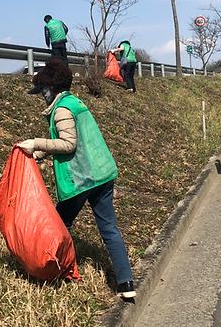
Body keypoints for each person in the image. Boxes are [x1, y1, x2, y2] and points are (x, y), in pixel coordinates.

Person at [18, 59, 136, 299]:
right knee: (109, 229)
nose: (42, 97)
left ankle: (53, 271)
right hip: (101, 174)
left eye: (42, 91)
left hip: (82, 178)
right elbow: (72, 139)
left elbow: (68, 144)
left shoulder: (61, 109)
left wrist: (35, 143)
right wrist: (38, 153)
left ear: (50, 89)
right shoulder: (75, 103)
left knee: (58, 225)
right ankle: (126, 283)